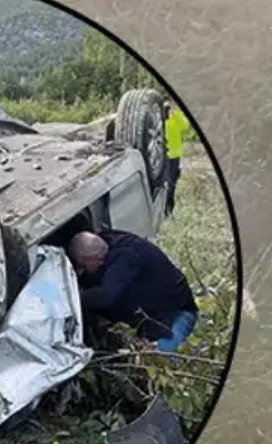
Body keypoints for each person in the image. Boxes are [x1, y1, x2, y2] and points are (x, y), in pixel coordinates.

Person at [69, 230, 199, 353]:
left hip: (176, 316)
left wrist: (72, 297)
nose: (81, 271)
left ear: (97, 258)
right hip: (151, 314)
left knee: (161, 361)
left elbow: (105, 297)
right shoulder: (105, 243)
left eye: (82, 266)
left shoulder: (126, 257)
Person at [163, 102, 190, 219]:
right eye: (165, 109)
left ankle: (169, 210)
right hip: (164, 157)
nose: (167, 111)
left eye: (169, 108)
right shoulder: (159, 121)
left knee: (172, 185)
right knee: (167, 185)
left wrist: (175, 114)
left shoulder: (175, 119)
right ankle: (165, 211)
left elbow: (186, 126)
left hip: (175, 157)